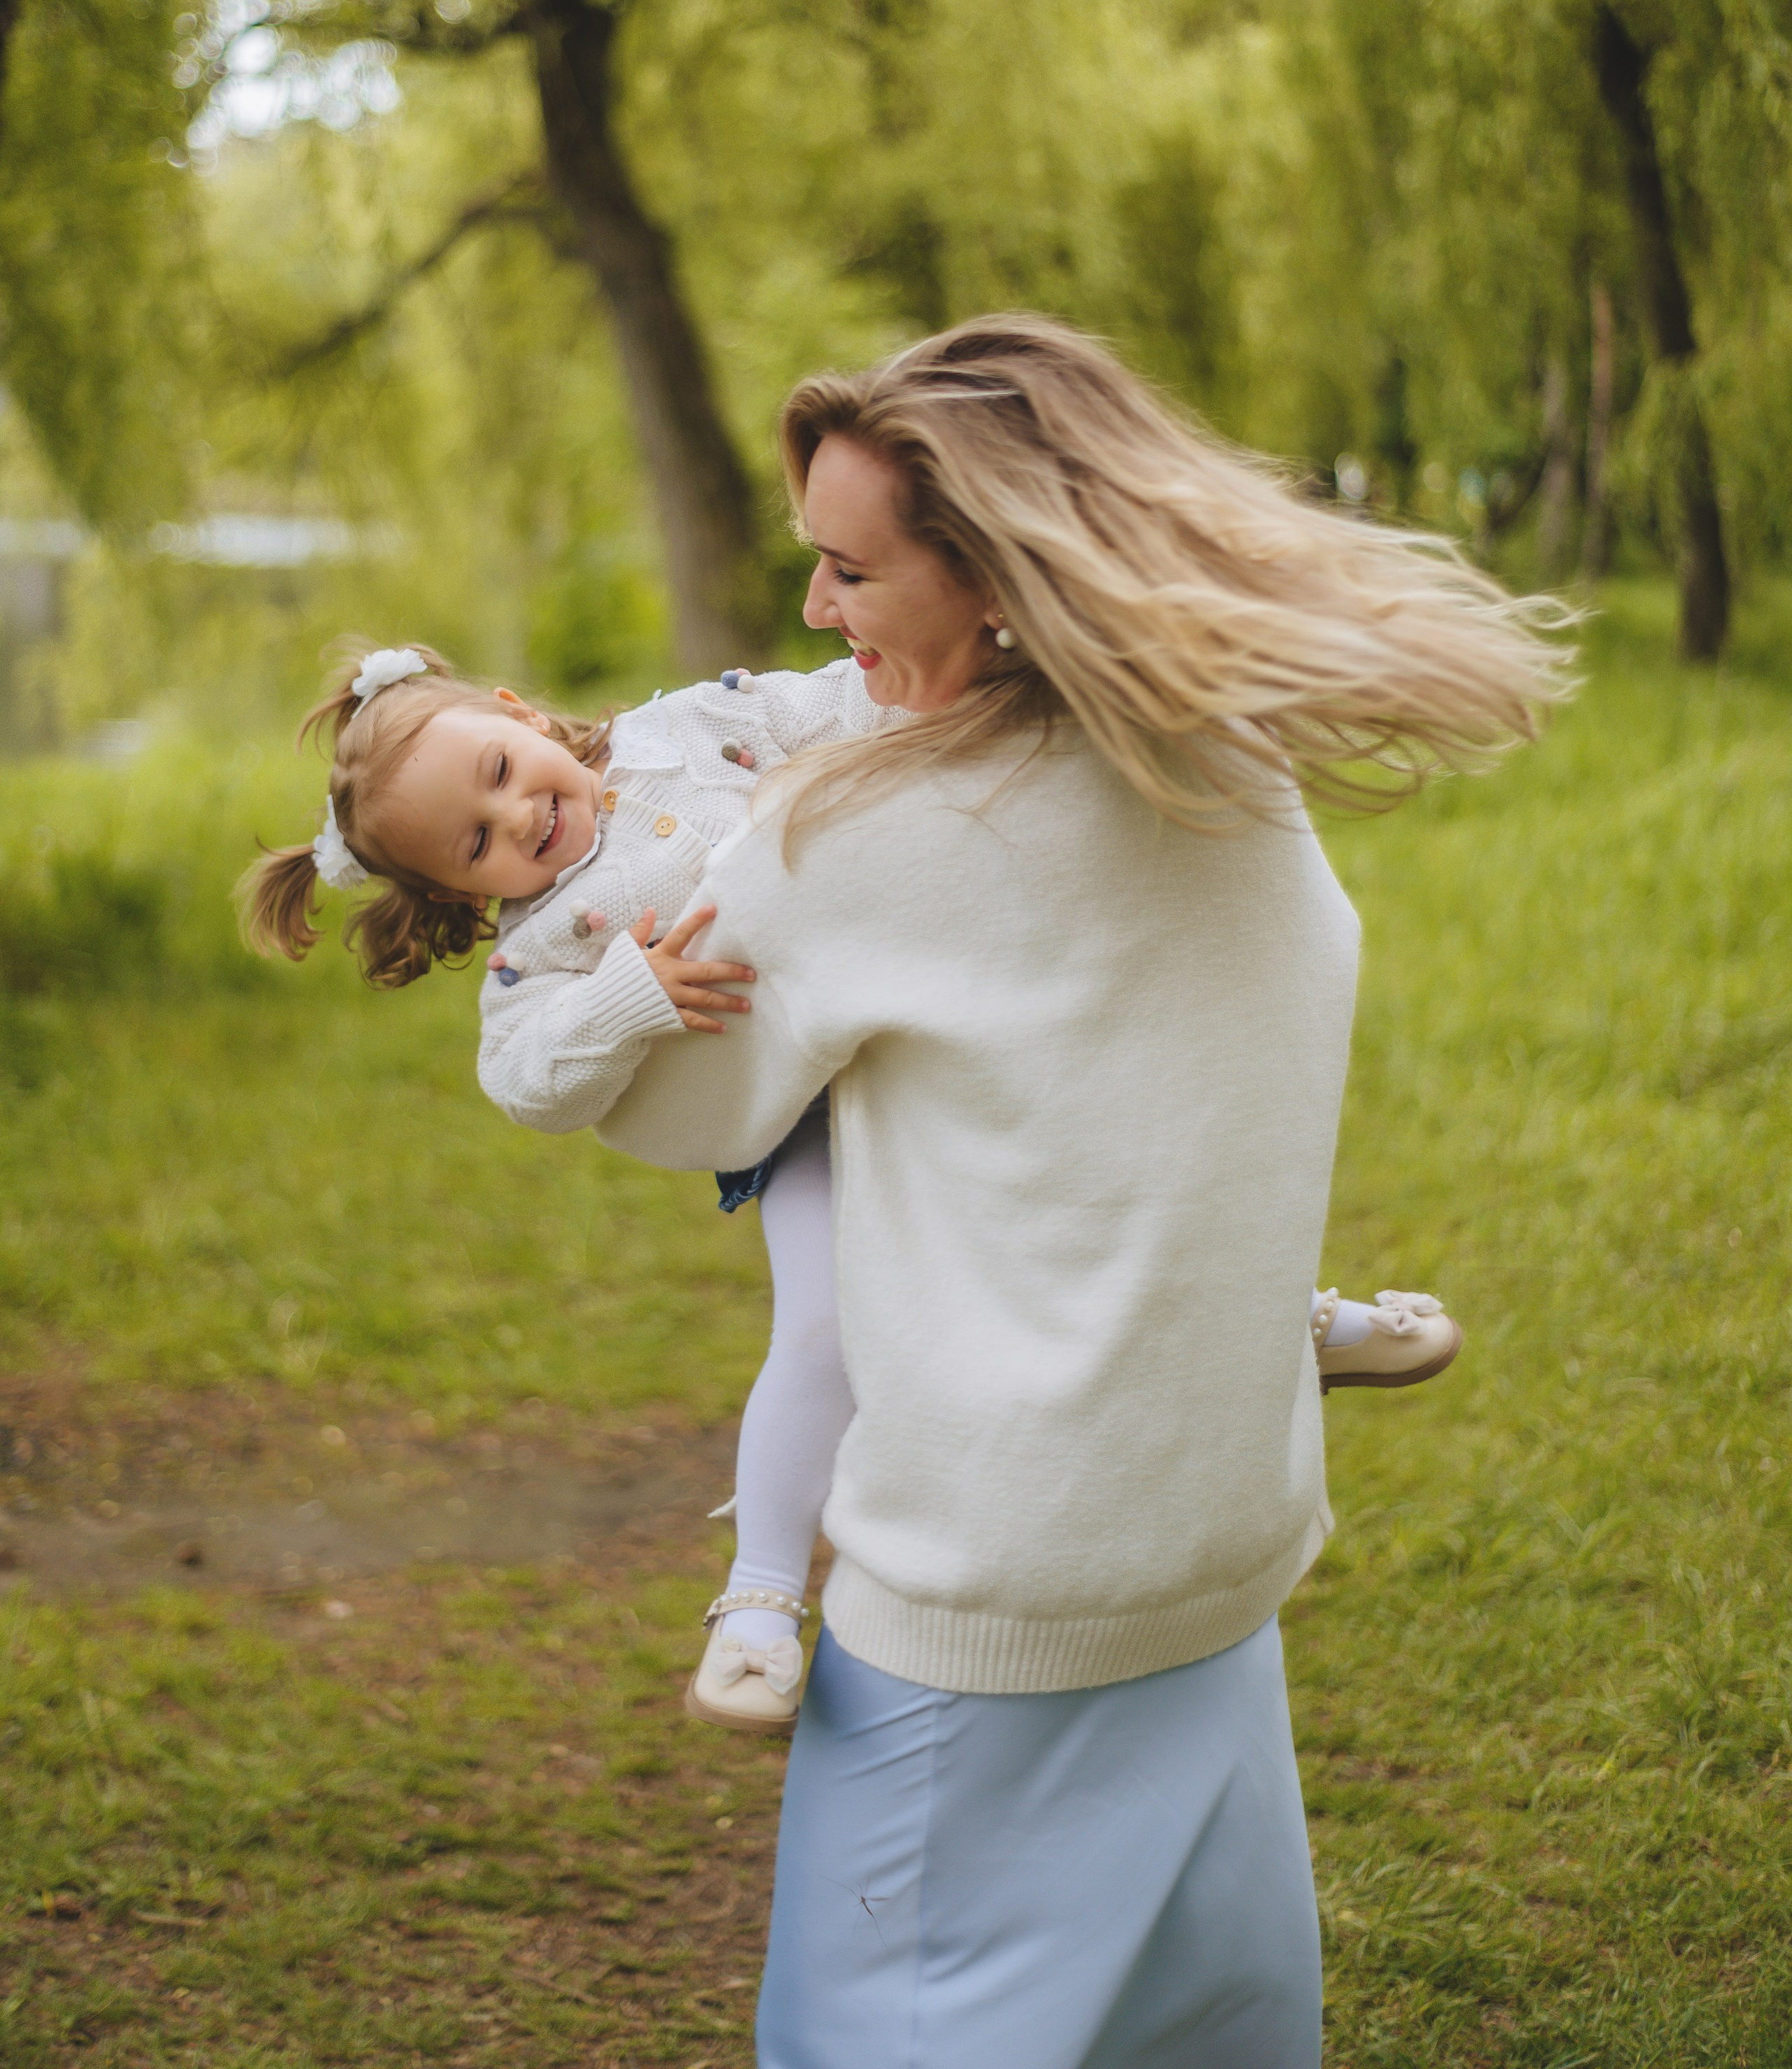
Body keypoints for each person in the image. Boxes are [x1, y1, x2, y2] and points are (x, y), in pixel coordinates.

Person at [589, 315, 1568, 2066]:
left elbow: (676, 1100)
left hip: (992, 1615)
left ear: (986, 571)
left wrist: (591, 912)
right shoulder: (1229, 757)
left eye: (845, 568)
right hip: (1213, 1554)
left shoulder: (854, 838)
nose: (813, 613)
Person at [237, 621, 1455, 1742]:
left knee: (1105, 1181)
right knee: (822, 1328)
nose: (521, 823)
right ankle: (760, 1604)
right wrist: (629, 995)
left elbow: (841, 706)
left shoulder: (684, 729)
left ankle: (1273, 1327)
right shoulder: (540, 951)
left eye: (503, 773)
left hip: (924, 1034)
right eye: (478, 844)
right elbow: (524, 1082)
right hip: (798, 1118)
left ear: (522, 715)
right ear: (460, 895)